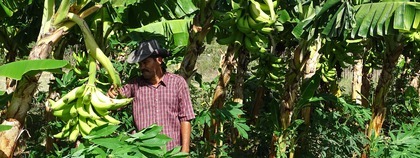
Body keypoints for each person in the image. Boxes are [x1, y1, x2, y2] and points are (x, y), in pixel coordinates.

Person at [108, 40, 195, 153]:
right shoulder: (134, 85)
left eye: (146, 62)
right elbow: (115, 101)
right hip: (143, 151)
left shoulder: (177, 83)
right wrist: (111, 95)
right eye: (140, 64)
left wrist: (185, 151)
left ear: (159, 60)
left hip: (171, 151)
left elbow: (185, 118)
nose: (142, 67)